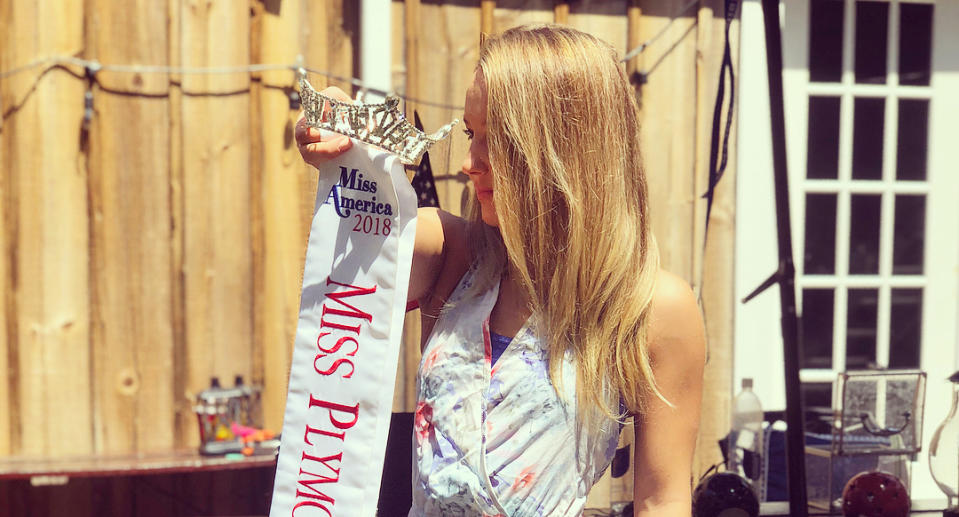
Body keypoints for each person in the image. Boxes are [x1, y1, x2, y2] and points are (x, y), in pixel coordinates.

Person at [295, 24, 705, 517]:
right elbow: (357, 248)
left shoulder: (650, 307)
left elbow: (663, 500)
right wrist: (346, 141)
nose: (469, 162)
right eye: (471, 133)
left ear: (566, 149)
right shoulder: (455, 256)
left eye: (497, 139)